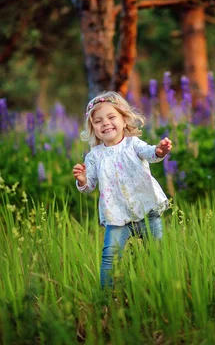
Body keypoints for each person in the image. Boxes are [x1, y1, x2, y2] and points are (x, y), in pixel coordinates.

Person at [73, 91, 173, 289]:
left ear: (124, 120)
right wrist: (83, 180)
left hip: (146, 212)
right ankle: (107, 297)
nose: (105, 123)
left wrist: (159, 150)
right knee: (110, 256)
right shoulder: (94, 156)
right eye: (98, 121)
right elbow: (89, 186)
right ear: (93, 128)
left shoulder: (132, 144)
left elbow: (150, 153)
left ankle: (162, 289)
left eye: (111, 117)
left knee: (157, 252)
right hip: (116, 216)